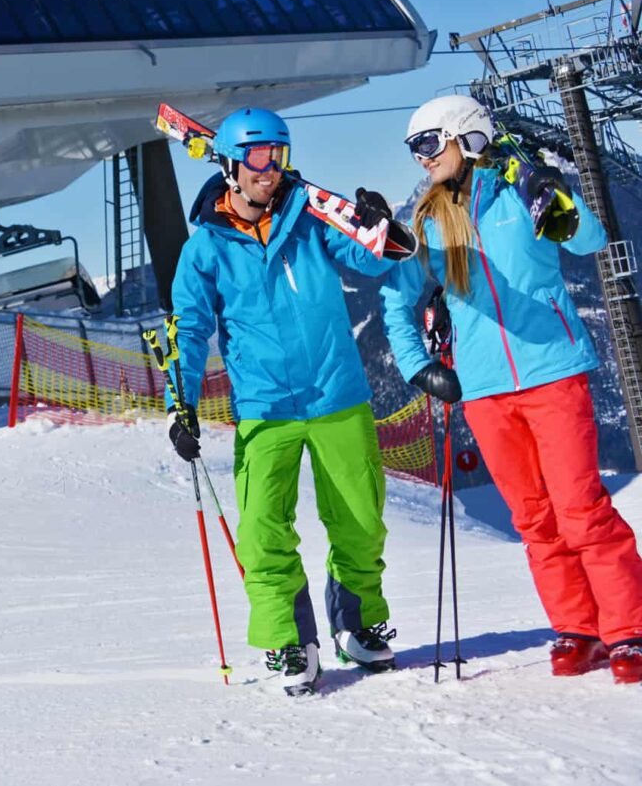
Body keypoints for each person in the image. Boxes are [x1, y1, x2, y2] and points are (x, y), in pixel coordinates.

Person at [380, 94, 642, 685]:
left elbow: (590, 240)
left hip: (553, 372)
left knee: (581, 509)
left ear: (465, 136)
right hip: (483, 389)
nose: (423, 158)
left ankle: (629, 629)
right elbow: (396, 300)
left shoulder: (523, 193)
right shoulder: (428, 222)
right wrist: (419, 367)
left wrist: (557, 196)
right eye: (414, 149)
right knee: (533, 518)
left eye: (429, 143)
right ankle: (577, 629)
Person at [169, 107, 406, 695]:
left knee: (360, 520)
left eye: (278, 155)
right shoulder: (206, 249)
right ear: (230, 165)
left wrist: (379, 225)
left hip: (337, 394)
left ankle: (355, 623)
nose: (269, 168)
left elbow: (373, 258)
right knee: (262, 530)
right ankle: (289, 639)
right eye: (257, 156)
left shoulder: (309, 219)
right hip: (264, 406)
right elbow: (189, 328)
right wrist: (182, 403)